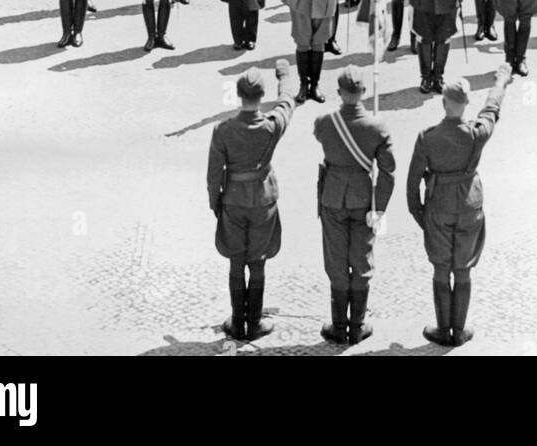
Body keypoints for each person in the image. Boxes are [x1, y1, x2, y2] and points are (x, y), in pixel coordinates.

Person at [406, 67, 513, 346]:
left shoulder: (427, 137)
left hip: (438, 206)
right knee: (463, 268)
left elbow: (412, 184)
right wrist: (501, 80)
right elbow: (492, 108)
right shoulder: (476, 133)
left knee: (441, 269)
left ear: (443, 102)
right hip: (469, 205)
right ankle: (460, 331)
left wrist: (423, 217)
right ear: (466, 104)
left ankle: (443, 330)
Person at [207, 60, 296, 340]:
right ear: (261, 97)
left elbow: (212, 176)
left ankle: (237, 322)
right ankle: (254, 323)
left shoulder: (223, 130)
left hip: (233, 200)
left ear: (238, 95)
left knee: (236, 261)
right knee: (257, 261)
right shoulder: (272, 125)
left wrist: (216, 204)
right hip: (263, 200)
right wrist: (284, 74)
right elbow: (288, 99)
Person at [312, 65, 396, 344]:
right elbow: (388, 171)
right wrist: (379, 207)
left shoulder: (324, 122)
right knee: (362, 258)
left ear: (339, 93)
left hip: (333, 197)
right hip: (364, 199)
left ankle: (339, 326)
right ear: (363, 92)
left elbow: (321, 137)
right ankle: (357, 326)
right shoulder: (377, 127)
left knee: (336, 260)